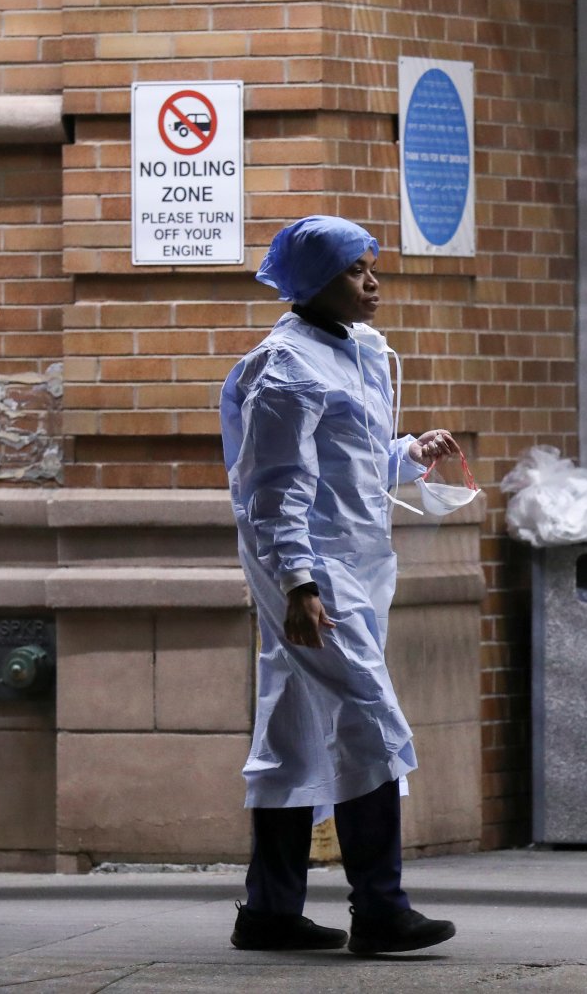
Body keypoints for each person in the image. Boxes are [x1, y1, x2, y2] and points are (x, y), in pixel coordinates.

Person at [220, 215, 461, 956]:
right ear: (314, 282)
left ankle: (270, 910)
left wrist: (407, 454)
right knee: (370, 721)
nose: (372, 281)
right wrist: (298, 584)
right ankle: (381, 908)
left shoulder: (357, 351)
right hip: (317, 576)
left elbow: (349, 467)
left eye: (371, 266)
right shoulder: (285, 368)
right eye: (356, 270)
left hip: (356, 569)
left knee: (291, 733)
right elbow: (276, 491)